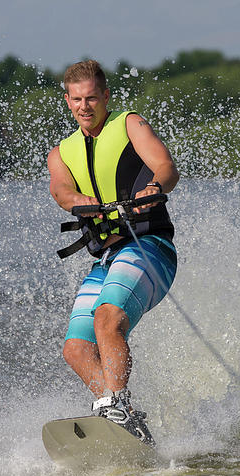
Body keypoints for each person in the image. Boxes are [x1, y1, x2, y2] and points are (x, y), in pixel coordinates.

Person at [47, 60, 179, 445]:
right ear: (68, 101)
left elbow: (166, 167)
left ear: (105, 96)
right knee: (75, 348)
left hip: (149, 248)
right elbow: (60, 190)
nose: (84, 106)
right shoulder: (61, 153)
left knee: (108, 319)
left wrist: (154, 188)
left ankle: (117, 405)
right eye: (77, 99)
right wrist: (82, 202)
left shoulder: (130, 124)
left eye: (91, 97)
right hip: (106, 258)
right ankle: (120, 413)